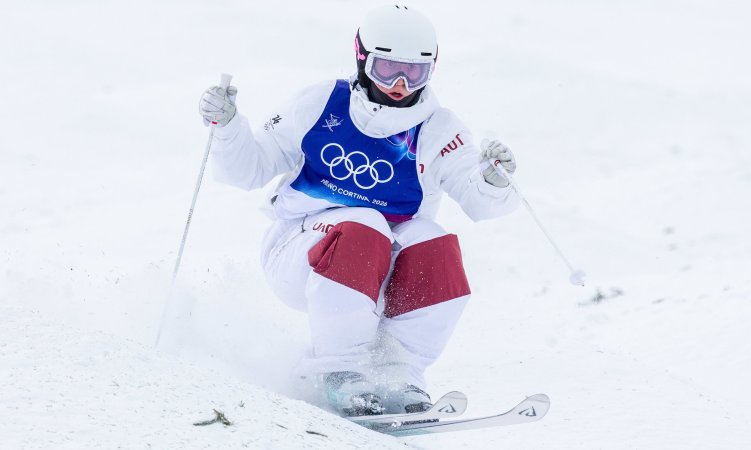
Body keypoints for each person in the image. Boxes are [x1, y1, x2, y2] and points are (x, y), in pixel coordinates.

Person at [198, 4, 519, 417]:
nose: (400, 85)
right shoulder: (321, 103)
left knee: (437, 243)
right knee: (365, 222)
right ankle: (339, 372)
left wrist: (493, 182)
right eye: (387, 70)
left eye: (414, 73)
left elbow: (480, 202)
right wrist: (228, 130)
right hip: (302, 254)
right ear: (362, 57)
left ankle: (400, 373)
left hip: (382, 272)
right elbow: (249, 170)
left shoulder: (440, 129)